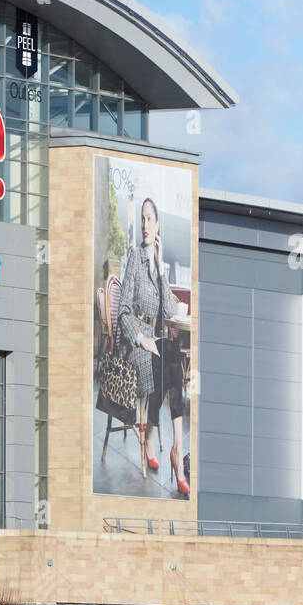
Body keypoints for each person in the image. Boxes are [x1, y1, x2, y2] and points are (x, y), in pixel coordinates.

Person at [117, 198, 189, 495]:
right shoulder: (134, 257)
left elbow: (170, 307)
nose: (145, 225)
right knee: (164, 361)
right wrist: (141, 338)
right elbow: (121, 310)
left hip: (156, 341)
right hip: (134, 342)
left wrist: (161, 267)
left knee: (172, 363)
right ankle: (151, 441)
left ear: (158, 225)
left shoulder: (158, 262)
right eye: (142, 219)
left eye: (150, 219)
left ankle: (177, 450)